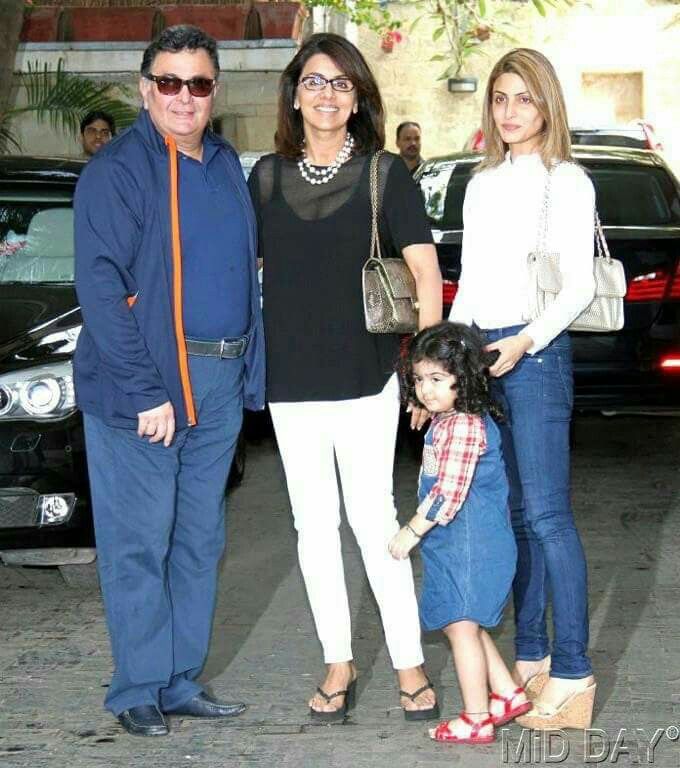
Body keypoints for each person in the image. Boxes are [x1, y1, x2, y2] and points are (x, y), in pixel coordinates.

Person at [73, 25, 264, 737]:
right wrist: (145, 389)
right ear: (144, 87)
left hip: (219, 373)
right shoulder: (117, 169)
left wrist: (250, 368)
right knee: (137, 542)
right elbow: (100, 287)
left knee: (198, 538)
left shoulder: (221, 163)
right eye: (170, 81)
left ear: (214, 90)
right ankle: (137, 687)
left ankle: (181, 678)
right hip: (149, 380)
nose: (185, 96)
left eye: (200, 83)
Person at [248, 32, 443, 722]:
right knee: (313, 528)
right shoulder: (266, 178)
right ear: (294, 94)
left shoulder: (385, 173)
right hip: (290, 384)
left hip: (367, 379)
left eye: (341, 83)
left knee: (374, 522)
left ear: (357, 98)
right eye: (314, 81)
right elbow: (246, 274)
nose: (326, 94)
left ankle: (409, 664)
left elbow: (423, 272)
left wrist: (427, 370)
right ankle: (338, 660)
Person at [449, 48, 597, 730]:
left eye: (524, 99)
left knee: (546, 516)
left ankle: (573, 674)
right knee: (512, 519)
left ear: (548, 106)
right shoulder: (479, 184)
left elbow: (579, 288)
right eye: (501, 99)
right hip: (484, 353)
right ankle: (532, 660)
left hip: (534, 356)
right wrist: (447, 361)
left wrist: (524, 342)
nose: (510, 112)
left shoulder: (566, 181)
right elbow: (472, 281)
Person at [389, 321, 527, 745]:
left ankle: (476, 717)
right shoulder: (451, 419)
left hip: (470, 540)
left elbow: (449, 491)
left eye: (437, 379)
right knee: (464, 620)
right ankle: (506, 694)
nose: (426, 390)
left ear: (462, 379)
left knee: (461, 625)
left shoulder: (464, 426)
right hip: (458, 541)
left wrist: (411, 530)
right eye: (419, 379)